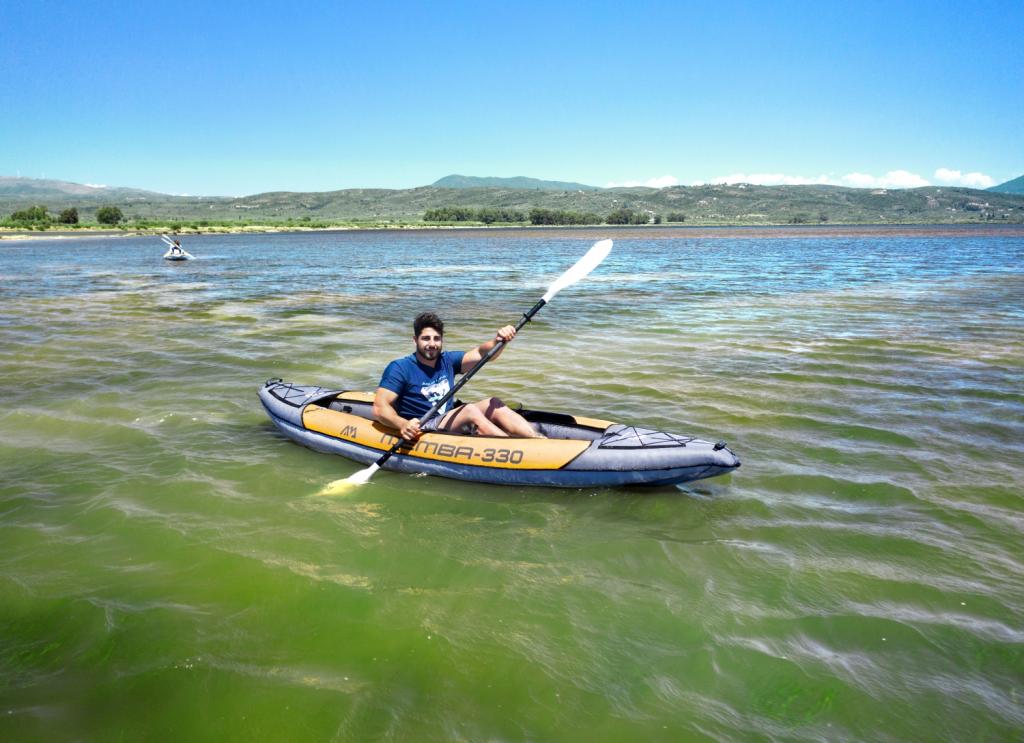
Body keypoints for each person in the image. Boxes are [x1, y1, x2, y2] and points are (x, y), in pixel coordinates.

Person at [373, 311, 544, 441]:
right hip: (424, 424)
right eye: (426, 339)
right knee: (468, 409)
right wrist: (403, 424)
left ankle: (537, 440)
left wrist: (499, 341)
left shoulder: (447, 360)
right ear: (415, 340)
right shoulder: (400, 368)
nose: (432, 344)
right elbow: (380, 407)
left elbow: (482, 354)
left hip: (447, 417)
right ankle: (514, 449)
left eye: (436, 339)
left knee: (493, 402)